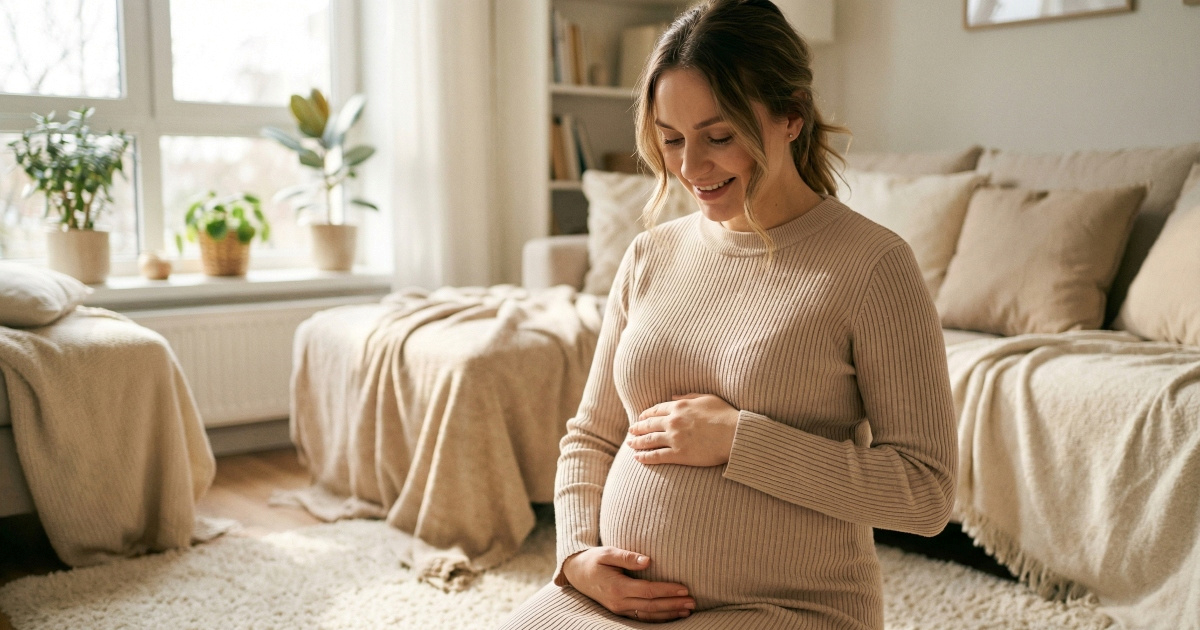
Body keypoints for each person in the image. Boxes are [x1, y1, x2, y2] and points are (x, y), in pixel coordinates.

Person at [498, 1, 957, 627]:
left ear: (791, 114)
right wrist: (577, 554)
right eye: (671, 139)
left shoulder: (872, 265)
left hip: (787, 608)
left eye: (719, 137)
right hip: (614, 602)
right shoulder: (651, 254)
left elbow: (925, 492)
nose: (690, 168)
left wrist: (741, 441)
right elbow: (592, 436)